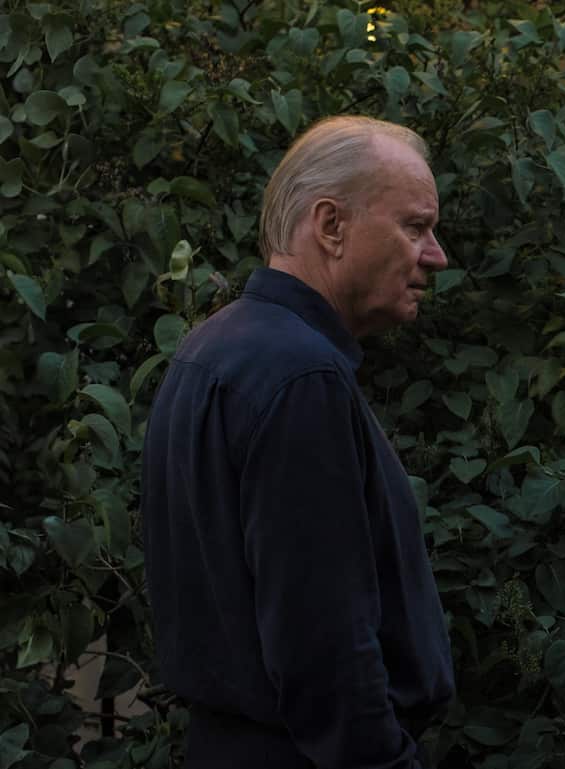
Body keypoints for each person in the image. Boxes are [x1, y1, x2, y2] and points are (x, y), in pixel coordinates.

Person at [142, 115, 455, 769]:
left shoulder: (213, 347)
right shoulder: (300, 376)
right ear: (331, 225)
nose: (436, 256)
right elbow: (325, 646)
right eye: (415, 227)